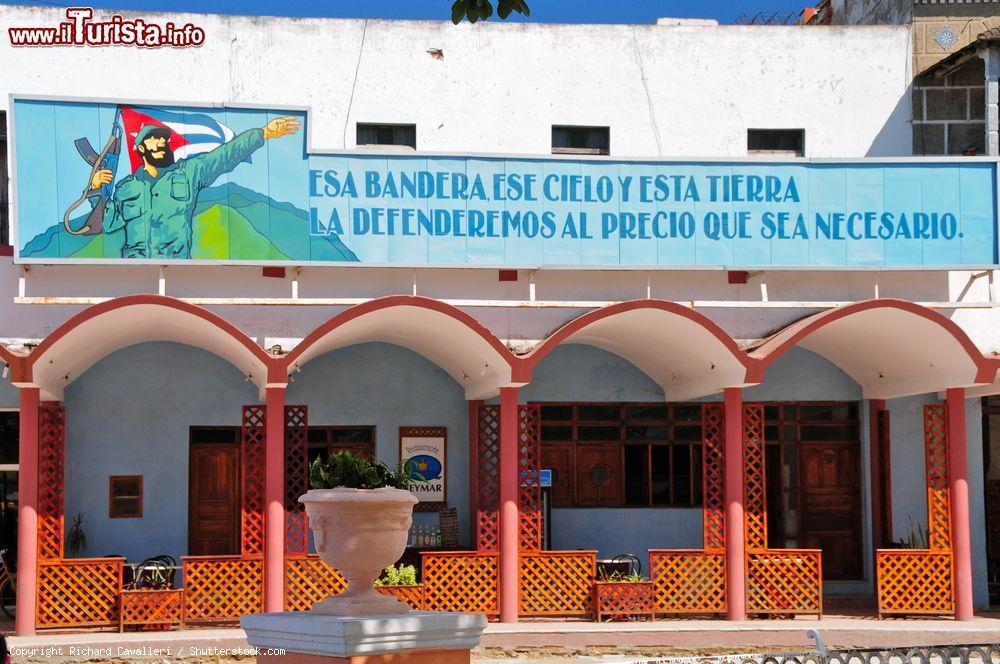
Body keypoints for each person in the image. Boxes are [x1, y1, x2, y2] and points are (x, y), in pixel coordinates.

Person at [88, 116, 300, 259]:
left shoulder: (188, 172)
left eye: (164, 139)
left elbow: (225, 156)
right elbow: (109, 223)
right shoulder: (126, 188)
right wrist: (96, 189)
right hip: (134, 272)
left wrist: (262, 133)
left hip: (177, 269)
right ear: (141, 147)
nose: (162, 143)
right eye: (155, 140)